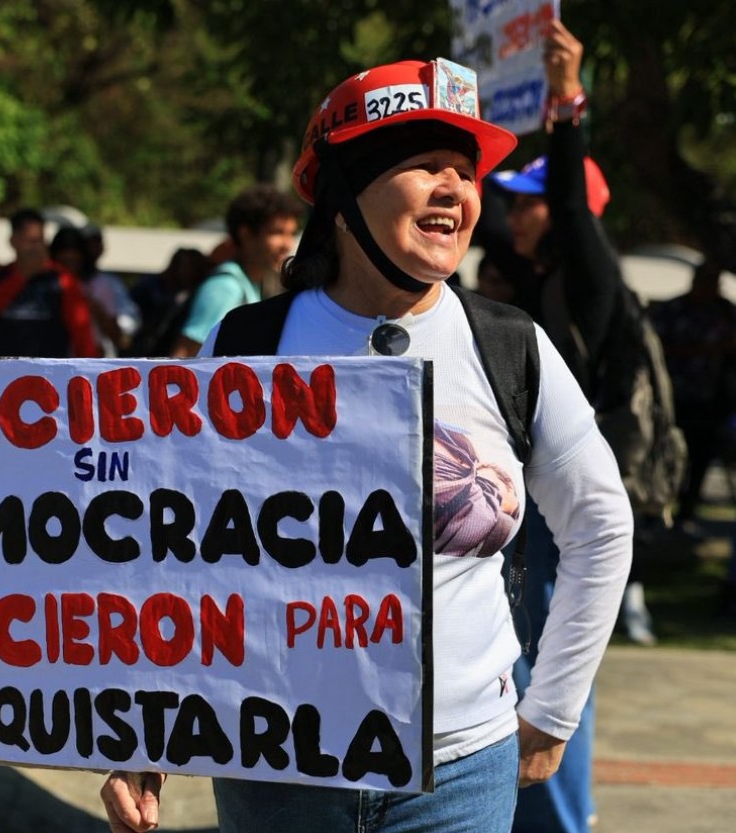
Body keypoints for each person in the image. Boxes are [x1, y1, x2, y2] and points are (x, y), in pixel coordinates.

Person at [101, 56, 632, 833]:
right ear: (344, 195)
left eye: (466, 171)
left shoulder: (510, 346)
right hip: (274, 763)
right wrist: (142, 733)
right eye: (425, 166)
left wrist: (551, 708)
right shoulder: (247, 342)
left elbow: (599, 524)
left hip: (457, 776)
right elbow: (172, 545)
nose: (456, 188)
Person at [478, 19, 636, 831]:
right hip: (527, 507)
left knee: (550, 671)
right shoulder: (534, 283)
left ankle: (559, 821)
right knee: (521, 660)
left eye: (527, 200)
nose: (515, 211)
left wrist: (565, 103)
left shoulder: (587, 273)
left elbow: (574, 208)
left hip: (565, 505)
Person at [649, 259, 736, 532]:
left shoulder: (725, 311)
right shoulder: (673, 310)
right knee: (666, 455)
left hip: (711, 399)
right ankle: (655, 512)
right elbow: (655, 347)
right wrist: (700, 350)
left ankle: (687, 511)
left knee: (701, 457)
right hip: (674, 397)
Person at [169, 185, 299, 357]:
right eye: (277, 233)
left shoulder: (251, 283)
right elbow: (183, 356)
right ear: (246, 234)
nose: (287, 244)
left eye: (291, 234)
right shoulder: (225, 288)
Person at [0, 207, 99, 358]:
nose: (37, 248)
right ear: (14, 241)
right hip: (5, 372)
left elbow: (81, 332)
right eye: (31, 241)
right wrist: (21, 277)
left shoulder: (62, 278)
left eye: (41, 241)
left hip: (49, 374)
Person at [79, 224, 143, 356]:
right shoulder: (62, 281)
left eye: (96, 243)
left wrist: (100, 313)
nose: (91, 249)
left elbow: (127, 325)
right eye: (87, 244)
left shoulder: (109, 283)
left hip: (100, 358)